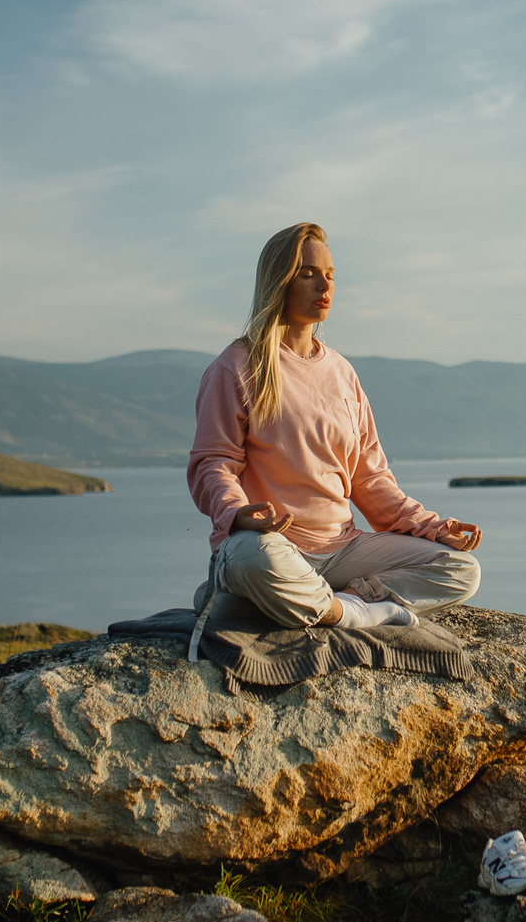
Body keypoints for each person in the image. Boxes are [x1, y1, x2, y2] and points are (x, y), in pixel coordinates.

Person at [188, 223, 482, 629]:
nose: (323, 285)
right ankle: (332, 608)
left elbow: (371, 480)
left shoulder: (342, 373)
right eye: (307, 274)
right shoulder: (236, 367)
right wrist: (237, 514)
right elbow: (213, 464)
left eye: (329, 274)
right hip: (269, 546)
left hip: (341, 552)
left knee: (461, 568)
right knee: (254, 558)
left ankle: (338, 606)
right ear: (279, 281)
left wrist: (433, 529)